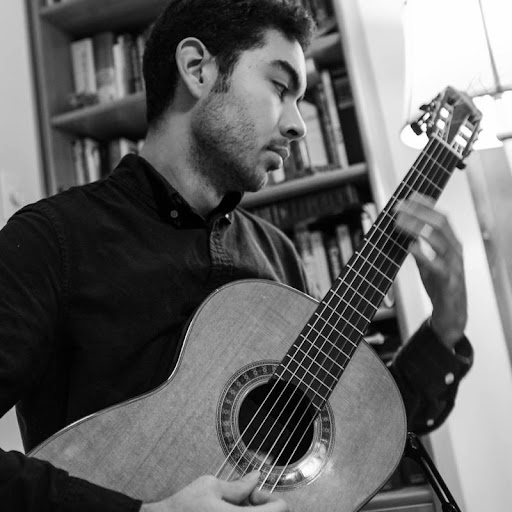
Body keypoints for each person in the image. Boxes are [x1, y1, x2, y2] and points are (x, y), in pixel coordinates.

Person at [0, 0, 473, 510]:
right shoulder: (52, 240)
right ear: (197, 69)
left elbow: (360, 436)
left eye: (301, 101)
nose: (299, 125)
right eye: (280, 87)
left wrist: (446, 327)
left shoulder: (277, 255)